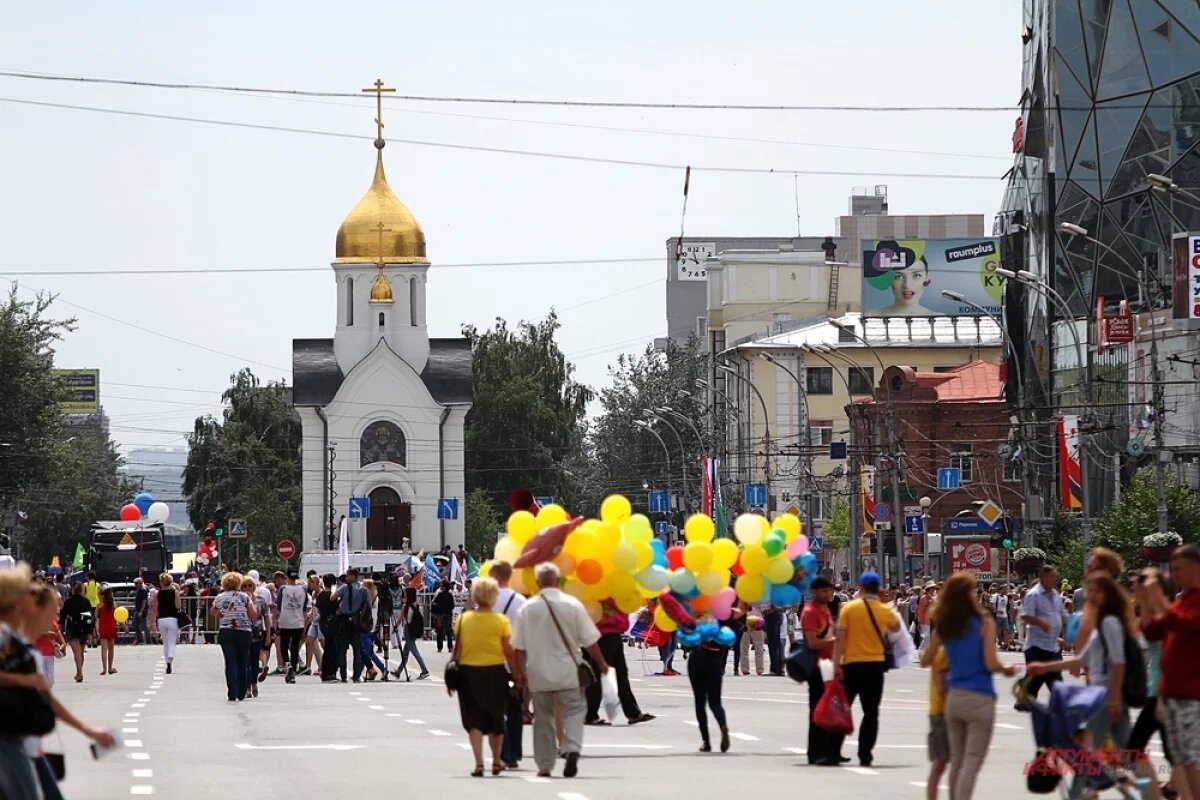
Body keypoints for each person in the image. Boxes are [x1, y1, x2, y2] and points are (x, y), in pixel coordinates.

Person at [1028, 573, 1137, 798]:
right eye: (1090, 591)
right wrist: (1044, 667)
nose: (1090, 596)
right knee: (1127, 755)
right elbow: (1082, 660)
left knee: (1082, 756)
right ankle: (1144, 790)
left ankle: (1078, 795)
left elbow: (1118, 661)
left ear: (1107, 595)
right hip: (1104, 697)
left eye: (1096, 591)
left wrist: (1114, 697)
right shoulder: (1103, 623)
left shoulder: (1109, 622)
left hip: (1105, 697)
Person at [920, 572, 1016, 800]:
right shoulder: (984, 621)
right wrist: (1006, 669)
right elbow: (991, 662)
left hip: (953, 698)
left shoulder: (945, 623)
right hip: (980, 696)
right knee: (972, 762)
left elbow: (925, 659)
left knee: (958, 762)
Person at [512, 563, 609, 779]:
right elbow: (590, 640)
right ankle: (572, 747)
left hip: (538, 671)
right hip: (568, 670)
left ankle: (545, 765)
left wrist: (519, 673)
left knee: (543, 717)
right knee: (574, 710)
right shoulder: (572, 605)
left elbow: (518, 646)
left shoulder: (527, 609)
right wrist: (601, 662)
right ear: (557, 581)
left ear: (537, 583)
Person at [1138, 544, 1200, 800]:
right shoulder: (1183, 599)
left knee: (1191, 758)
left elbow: (1185, 625)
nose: (1174, 574)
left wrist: (1159, 599)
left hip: (1192, 694)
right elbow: (1153, 631)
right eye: (1172, 569)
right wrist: (1144, 600)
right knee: (1181, 759)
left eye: (1179, 569)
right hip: (1173, 692)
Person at [450, 577, 522, 777]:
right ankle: (497, 760)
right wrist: (516, 675)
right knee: (496, 718)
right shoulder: (501, 620)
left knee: (473, 719)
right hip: (495, 673)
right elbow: (509, 651)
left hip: (468, 674)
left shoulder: (463, 620)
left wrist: (451, 677)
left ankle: (479, 763)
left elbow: (457, 651)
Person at [832, 571, 901, 767]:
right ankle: (865, 754)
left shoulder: (849, 608)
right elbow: (896, 628)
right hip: (875, 666)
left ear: (860, 587)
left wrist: (837, 666)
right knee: (871, 712)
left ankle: (835, 750)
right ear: (878, 588)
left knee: (843, 709)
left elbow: (840, 640)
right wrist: (885, 602)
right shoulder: (884, 610)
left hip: (851, 664)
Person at [584, 596, 655, 728]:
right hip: (603, 633)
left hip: (614, 633)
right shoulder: (601, 591)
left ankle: (633, 713)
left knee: (621, 674)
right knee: (598, 674)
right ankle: (589, 714)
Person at [490, 562, 529, 770]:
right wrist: (522, 669)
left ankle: (504, 752)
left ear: (495, 575)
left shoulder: (488, 600)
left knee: (497, 710)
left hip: (493, 662)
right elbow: (526, 636)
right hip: (516, 659)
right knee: (515, 708)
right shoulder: (521, 601)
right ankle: (514, 752)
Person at [801, 576, 843, 766]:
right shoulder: (810, 612)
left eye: (830, 591)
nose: (828, 594)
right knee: (817, 711)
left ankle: (828, 750)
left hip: (829, 666)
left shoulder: (825, 610)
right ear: (814, 592)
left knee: (829, 710)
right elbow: (813, 642)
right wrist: (839, 640)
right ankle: (815, 752)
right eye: (824, 591)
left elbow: (830, 635)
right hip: (817, 667)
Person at [1019, 564, 1065, 709]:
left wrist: (1067, 634)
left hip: (1052, 644)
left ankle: (1026, 701)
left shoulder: (1055, 595)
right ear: (1044, 577)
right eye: (1053, 577)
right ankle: (1060, 703)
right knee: (1041, 675)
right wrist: (1041, 623)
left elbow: (1062, 614)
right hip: (1036, 644)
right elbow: (1026, 616)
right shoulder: (1034, 594)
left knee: (1046, 674)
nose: (1055, 580)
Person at [212, 571, 259, 702]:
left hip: (226, 631)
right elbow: (253, 615)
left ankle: (231, 692)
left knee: (230, 661)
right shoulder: (245, 597)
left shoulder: (220, 597)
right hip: (243, 632)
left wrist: (221, 614)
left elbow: (212, 610)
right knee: (242, 661)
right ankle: (242, 691)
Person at [688, 617, 731, 753]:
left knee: (700, 702)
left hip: (697, 659)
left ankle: (706, 741)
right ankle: (723, 725)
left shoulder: (695, 617)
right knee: (716, 702)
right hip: (715, 661)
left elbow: (686, 640)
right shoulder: (721, 619)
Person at [920, 639, 950, 800]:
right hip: (942, 712)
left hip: (938, 710)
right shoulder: (946, 652)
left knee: (940, 765)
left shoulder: (942, 649)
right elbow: (943, 686)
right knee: (940, 763)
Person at [332, 569, 368, 683]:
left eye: (348, 576)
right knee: (357, 650)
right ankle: (357, 675)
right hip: (356, 621)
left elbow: (332, 598)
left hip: (344, 621)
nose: (346, 578)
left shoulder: (344, 588)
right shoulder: (363, 590)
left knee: (342, 650)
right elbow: (369, 605)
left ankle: (343, 675)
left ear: (353, 576)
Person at [275, 570, 309, 684]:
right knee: (294, 648)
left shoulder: (283, 589)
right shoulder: (303, 590)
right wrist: (304, 624)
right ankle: (293, 671)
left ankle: (287, 663)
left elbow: (278, 606)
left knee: (283, 646)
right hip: (298, 622)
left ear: (287, 578)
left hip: (284, 621)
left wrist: (276, 621)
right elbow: (304, 608)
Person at [393, 586, 430, 680]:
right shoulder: (416, 605)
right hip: (414, 629)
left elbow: (400, 618)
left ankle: (424, 670)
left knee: (414, 651)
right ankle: (399, 671)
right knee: (405, 652)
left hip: (408, 629)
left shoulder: (406, 605)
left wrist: (395, 627)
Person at [59, 581, 92, 683]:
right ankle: (79, 672)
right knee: (81, 652)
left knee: (76, 652)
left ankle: (79, 672)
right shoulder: (86, 601)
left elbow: (63, 616)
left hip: (72, 628)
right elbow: (89, 617)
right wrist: (91, 630)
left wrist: (60, 629)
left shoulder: (68, 602)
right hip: (83, 628)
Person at [152, 573, 180, 675]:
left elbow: (155, 608)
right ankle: (170, 660)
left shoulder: (157, 594)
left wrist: (155, 619)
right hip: (173, 618)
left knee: (165, 642)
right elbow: (178, 606)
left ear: (161, 583)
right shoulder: (175, 593)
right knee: (172, 642)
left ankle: (167, 662)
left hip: (162, 619)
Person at [360, 579, 387, 681]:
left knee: (367, 651)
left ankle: (382, 668)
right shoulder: (376, 598)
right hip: (372, 627)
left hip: (367, 627)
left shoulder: (369, 599)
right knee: (366, 650)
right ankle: (367, 670)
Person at [315, 574, 340, 682]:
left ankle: (325, 671)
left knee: (328, 647)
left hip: (323, 622)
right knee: (331, 648)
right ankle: (329, 672)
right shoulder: (332, 596)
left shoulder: (320, 595)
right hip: (332, 622)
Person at [96, 587, 118, 676]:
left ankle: (104, 668)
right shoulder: (113, 604)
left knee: (104, 649)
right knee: (111, 649)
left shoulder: (99, 605)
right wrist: (123, 626)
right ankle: (110, 668)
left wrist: (97, 629)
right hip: (112, 626)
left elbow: (97, 618)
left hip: (103, 627)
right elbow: (117, 616)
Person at [739, 604, 766, 676]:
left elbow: (764, 606)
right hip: (745, 619)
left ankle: (759, 669)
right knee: (744, 645)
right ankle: (745, 669)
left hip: (757, 619)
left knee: (758, 646)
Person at [431, 579, 456, 653]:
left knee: (440, 632)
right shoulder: (450, 595)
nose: (440, 586)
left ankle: (439, 647)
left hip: (440, 616)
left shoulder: (440, 594)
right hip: (448, 614)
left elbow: (435, 603)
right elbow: (452, 605)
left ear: (444, 586)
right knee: (448, 632)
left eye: (441, 585)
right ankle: (450, 647)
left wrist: (436, 610)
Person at [133, 576, 150, 645]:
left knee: (144, 626)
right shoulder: (139, 590)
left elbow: (144, 601)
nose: (135, 585)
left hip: (142, 611)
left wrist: (141, 611)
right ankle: (140, 639)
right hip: (138, 610)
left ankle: (148, 641)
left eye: (136, 583)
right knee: (135, 624)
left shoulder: (142, 590)